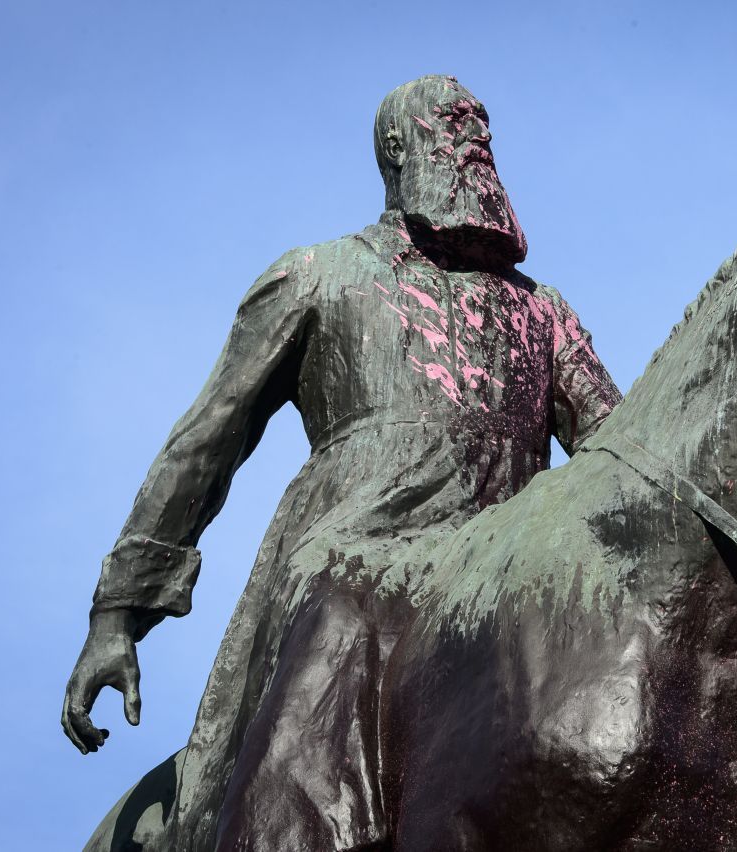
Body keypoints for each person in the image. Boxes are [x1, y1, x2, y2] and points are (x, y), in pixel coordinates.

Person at [64, 75, 621, 851]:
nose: (476, 138)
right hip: (356, 566)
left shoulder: (543, 313)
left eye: (483, 126)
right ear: (397, 148)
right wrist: (117, 615)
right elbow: (207, 440)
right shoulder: (321, 274)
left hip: (502, 580)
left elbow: (618, 453)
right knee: (345, 621)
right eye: (454, 123)